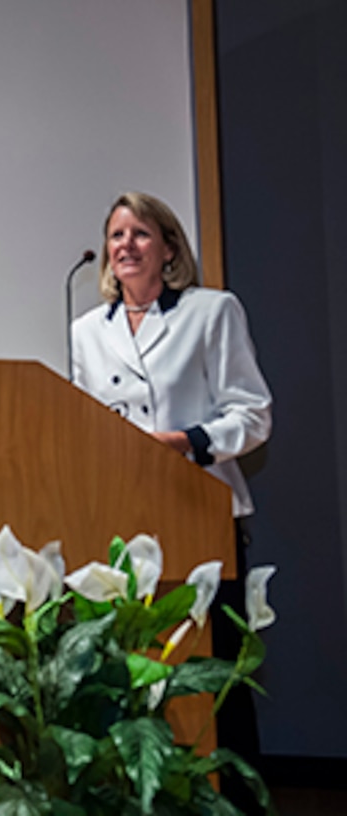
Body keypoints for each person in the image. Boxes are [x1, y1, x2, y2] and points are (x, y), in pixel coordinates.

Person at [71, 191, 272, 803]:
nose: (125, 246)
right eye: (115, 236)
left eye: (140, 234)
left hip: (200, 515)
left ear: (168, 248)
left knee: (215, 687)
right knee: (137, 685)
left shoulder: (212, 313)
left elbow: (254, 413)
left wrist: (187, 441)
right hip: (123, 524)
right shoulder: (86, 331)